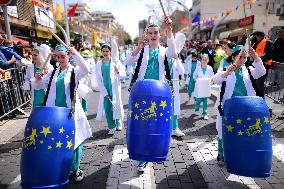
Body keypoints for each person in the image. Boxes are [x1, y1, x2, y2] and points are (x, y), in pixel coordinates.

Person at [124, 16, 177, 173]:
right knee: (142, 123)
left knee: (156, 123)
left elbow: (173, 52)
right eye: (150, 33)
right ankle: (142, 159)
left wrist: (169, 30)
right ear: (146, 35)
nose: (153, 35)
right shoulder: (142, 51)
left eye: (156, 32)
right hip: (142, 94)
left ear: (159, 35)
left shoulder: (163, 51)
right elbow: (127, 61)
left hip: (159, 95)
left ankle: (154, 151)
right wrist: (138, 47)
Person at [34, 44, 92, 182]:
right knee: (60, 140)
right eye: (58, 57)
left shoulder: (75, 71)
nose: (60, 59)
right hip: (55, 114)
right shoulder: (53, 72)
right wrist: (37, 79)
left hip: (70, 112)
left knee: (75, 140)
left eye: (63, 56)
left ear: (68, 56)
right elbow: (40, 86)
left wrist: (75, 52)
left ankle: (76, 168)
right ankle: (63, 167)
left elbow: (87, 69)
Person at [212, 45, 266, 165]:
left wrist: (254, 55)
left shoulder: (249, 70)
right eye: (239, 57)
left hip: (244, 108)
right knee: (222, 129)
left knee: (240, 131)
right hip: (228, 107)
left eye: (244, 57)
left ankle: (237, 154)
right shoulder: (226, 68)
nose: (242, 60)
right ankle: (221, 154)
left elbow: (262, 71)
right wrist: (228, 71)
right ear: (233, 57)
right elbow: (215, 79)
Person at [95, 42, 124, 135]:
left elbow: (123, 75)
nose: (105, 53)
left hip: (114, 88)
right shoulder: (98, 64)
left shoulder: (115, 62)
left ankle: (118, 121)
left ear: (110, 52)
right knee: (107, 108)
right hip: (105, 89)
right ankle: (111, 126)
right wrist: (104, 91)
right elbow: (98, 79)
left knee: (116, 105)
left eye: (107, 51)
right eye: (103, 51)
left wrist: (118, 71)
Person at [251, 31, 274, 98]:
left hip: (264, 65)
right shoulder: (255, 43)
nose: (255, 37)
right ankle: (257, 98)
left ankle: (261, 100)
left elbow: (270, 54)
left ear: (259, 36)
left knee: (259, 83)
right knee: (255, 83)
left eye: (256, 35)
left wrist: (259, 61)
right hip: (256, 65)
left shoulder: (267, 42)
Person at [193, 54, 214, 120]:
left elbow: (212, 76)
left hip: (206, 86)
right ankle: (197, 106)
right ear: (201, 60)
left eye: (206, 60)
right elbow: (194, 75)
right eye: (203, 60)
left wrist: (210, 79)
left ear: (208, 60)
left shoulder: (210, 68)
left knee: (205, 100)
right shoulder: (198, 68)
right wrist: (195, 79)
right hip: (199, 86)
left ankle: (205, 113)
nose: (204, 61)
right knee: (199, 99)